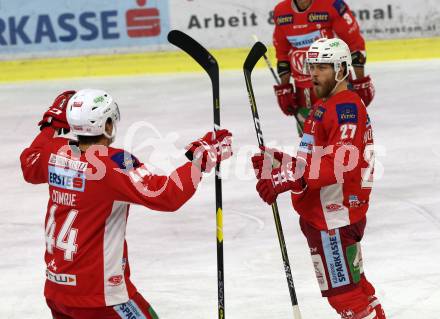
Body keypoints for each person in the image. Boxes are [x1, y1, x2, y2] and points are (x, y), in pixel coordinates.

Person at [20, 89, 233, 319]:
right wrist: (199, 160)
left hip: (57, 293)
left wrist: (51, 125)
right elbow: (167, 195)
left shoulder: (54, 151)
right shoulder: (114, 164)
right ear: (108, 126)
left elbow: (29, 164)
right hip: (99, 297)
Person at [251, 38, 385, 318]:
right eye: (312, 66)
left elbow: (340, 163)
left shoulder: (345, 109)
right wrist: (281, 161)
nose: (313, 74)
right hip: (326, 216)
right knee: (357, 290)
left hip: (333, 219)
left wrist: (286, 177)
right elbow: (315, 160)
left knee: (347, 299)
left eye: (322, 67)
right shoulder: (326, 105)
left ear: (341, 69)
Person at [272, 0, 375, 134]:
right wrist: (284, 89)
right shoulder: (281, 11)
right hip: (304, 92)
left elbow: (355, 43)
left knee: (343, 133)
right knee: (310, 140)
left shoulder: (332, 5)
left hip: (334, 85)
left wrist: (360, 81)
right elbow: (282, 53)